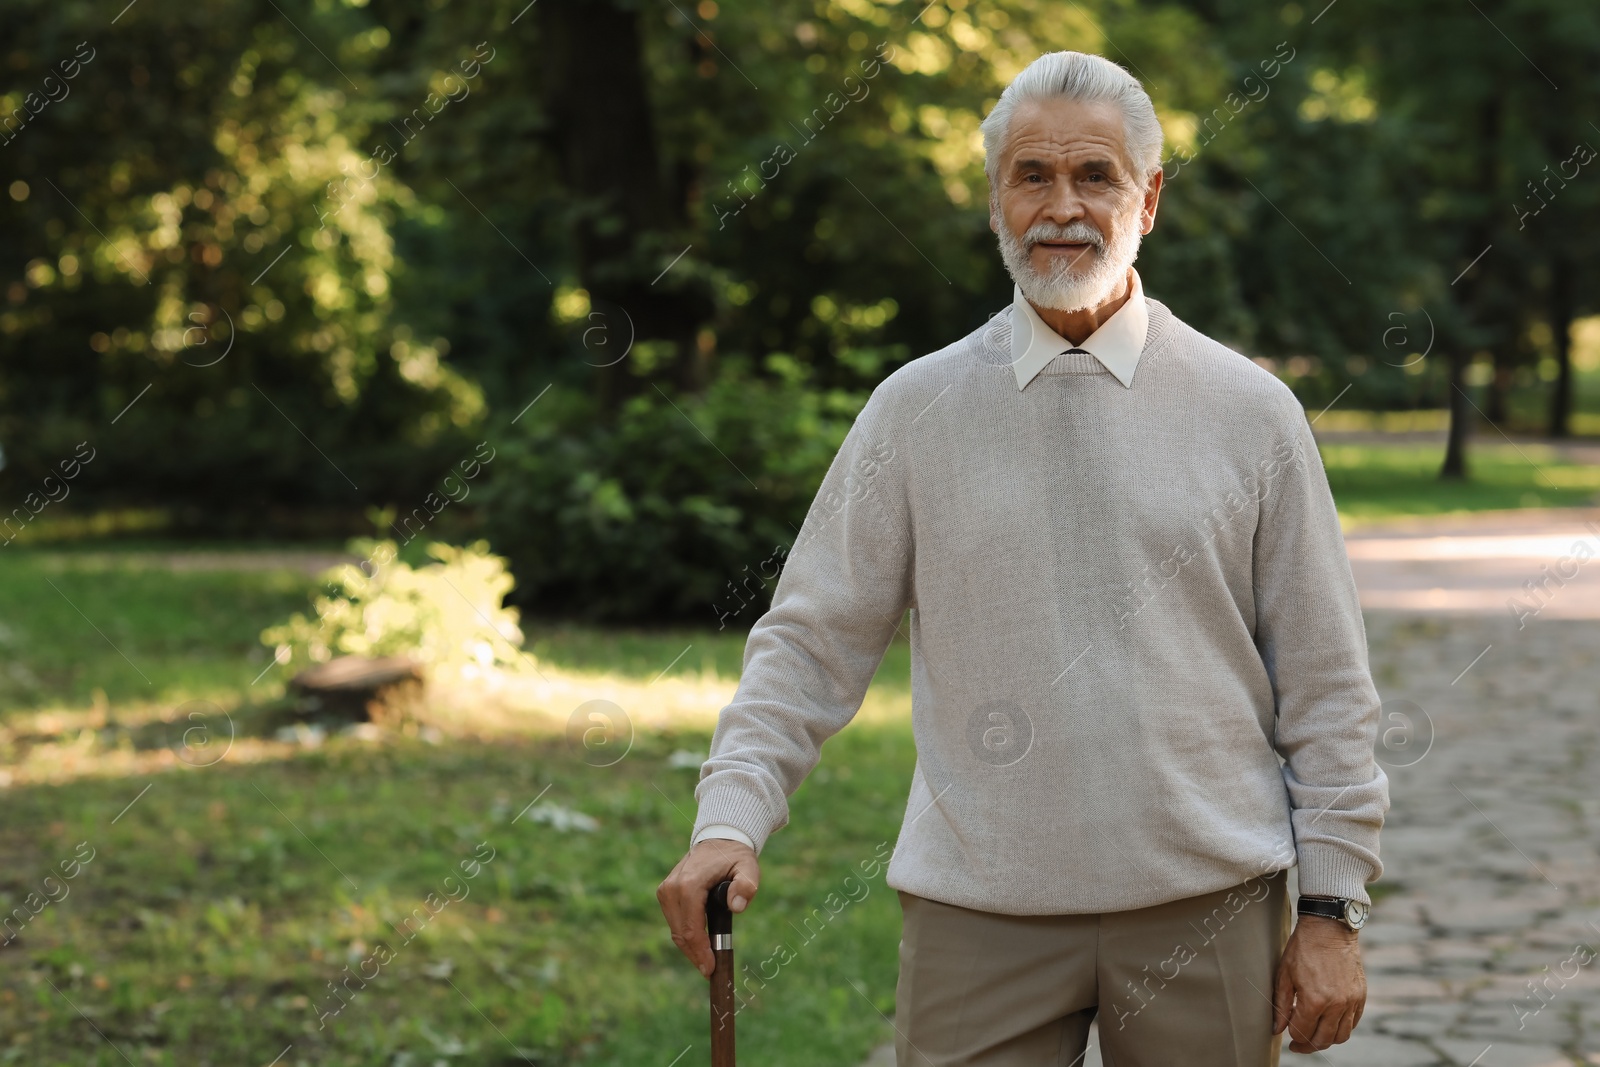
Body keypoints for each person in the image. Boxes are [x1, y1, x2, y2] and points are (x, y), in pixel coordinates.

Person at [658, 49, 1388, 1066]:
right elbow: (810, 641)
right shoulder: (914, 410)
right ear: (995, 197)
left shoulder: (1249, 412)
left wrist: (1331, 906)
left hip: (1205, 902)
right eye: (1030, 175)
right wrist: (727, 817)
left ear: (1149, 199)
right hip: (979, 904)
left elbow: (1325, 682)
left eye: (1095, 176)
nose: (1061, 205)